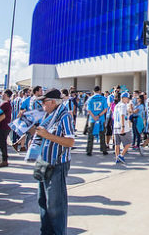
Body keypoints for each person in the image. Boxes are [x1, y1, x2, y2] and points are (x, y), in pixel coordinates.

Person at [33, 88, 75, 235]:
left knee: (56, 206)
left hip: (57, 163)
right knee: (43, 202)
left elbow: (70, 142)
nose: (42, 105)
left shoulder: (64, 116)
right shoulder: (48, 115)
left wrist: (47, 135)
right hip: (45, 162)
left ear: (52, 102)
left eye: (44, 102)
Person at [85, 86, 108, 156]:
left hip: (92, 119)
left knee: (90, 135)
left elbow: (88, 110)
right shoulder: (103, 98)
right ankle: (103, 149)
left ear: (93, 91)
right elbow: (105, 109)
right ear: (100, 91)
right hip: (101, 119)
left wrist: (94, 116)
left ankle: (89, 150)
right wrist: (99, 115)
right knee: (102, 134)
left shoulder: (90, 99)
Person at [113, 92, 133, 164]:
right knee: (129, 142)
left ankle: (117, 158)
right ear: (124, 98)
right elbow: (122, 115)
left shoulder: (116, 105)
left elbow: (114, 116)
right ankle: (121, 155)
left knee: (117, 144)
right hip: (123, 126)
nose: (128, 100)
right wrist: (123, 127)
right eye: (127, 98)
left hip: (115, 126)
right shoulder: (123, 105)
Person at [0, 89, 13, 168]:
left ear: (6, 95)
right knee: (2, 143)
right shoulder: (7, 103)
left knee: (1, 143)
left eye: (3, 94)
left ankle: (4, 160)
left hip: (3, 126)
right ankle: (2, 158)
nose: (2, 95)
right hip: (5, 125)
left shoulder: (5, 104)